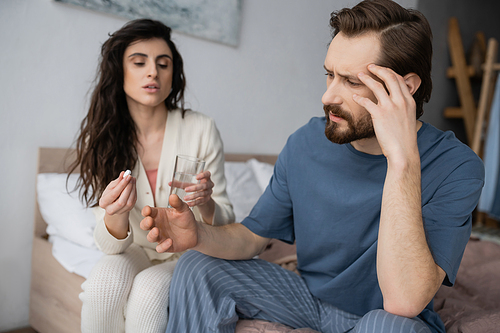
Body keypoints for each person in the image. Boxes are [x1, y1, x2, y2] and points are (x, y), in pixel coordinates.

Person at [140, 1, 484, 332]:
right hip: (306, 298)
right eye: (329, 75)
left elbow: (404, 302)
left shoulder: (456, 166)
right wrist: (198, 235)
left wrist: (402, 160)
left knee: (387, 327)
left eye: (351, 81)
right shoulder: (305, 142)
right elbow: (250, 238)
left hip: (382, 316)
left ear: (404, 88)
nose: (328, 96)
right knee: (197, 265)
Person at [68, 19, 235, 333]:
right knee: (102, 285)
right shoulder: (103, 137)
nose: (153, 72)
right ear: (120, 72)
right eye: (139, 62)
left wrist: (208, 202)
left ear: (174, 74)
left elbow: (225, 223)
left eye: (163, 63)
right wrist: (114, 213)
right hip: (133, 250)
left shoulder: (200, 128)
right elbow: (111, 247)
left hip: (190, 252)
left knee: (147, 292)